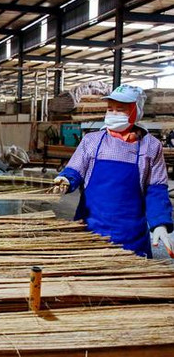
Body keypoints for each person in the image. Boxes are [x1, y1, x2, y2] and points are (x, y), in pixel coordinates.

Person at [52, 85, 173, 258]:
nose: (113, 114)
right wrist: (65, 179)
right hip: (90, 229)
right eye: (110, 109)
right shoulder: (92, 141)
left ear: (136, 111)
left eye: (120, 110)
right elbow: (75, 170)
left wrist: (160, 222)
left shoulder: (151, 146)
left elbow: (156, 189)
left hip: (130, 235)